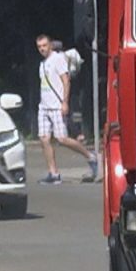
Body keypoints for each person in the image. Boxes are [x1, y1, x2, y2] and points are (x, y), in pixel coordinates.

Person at [36, 33, 99, 184]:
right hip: (44, 106)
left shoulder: (57, 59)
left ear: (50, 45)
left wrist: (65, 102)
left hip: (56, 105)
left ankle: (91, 157)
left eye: (44, 45)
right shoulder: (42, 64)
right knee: (44, 138)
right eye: (39, 47)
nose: (42, 49)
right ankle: (53, 173)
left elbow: (66, 81)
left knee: (62, 138)